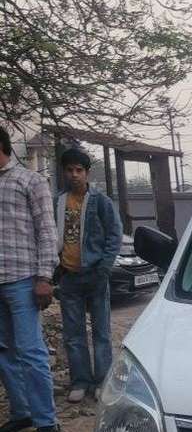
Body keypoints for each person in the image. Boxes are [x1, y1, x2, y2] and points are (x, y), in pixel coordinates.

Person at [0, 125, 64, 432]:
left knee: (30, 351)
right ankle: (22, 414)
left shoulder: (30, 181)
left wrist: (44, 277)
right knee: (4, 354)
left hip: (23, 280)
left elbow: (46, 231)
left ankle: (48, 425)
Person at [56, 146, 122, 402]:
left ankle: (102, 381)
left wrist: (104, 269)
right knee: (73, 334)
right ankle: (80, 381)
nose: (74, 175)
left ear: (87, 173)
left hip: (95, 275)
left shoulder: (100, 202)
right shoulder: (58, 201)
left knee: (101, 332)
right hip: (69, 276)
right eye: (69, 170)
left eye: (79, 170)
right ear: (64, 173)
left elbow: (115, 235)